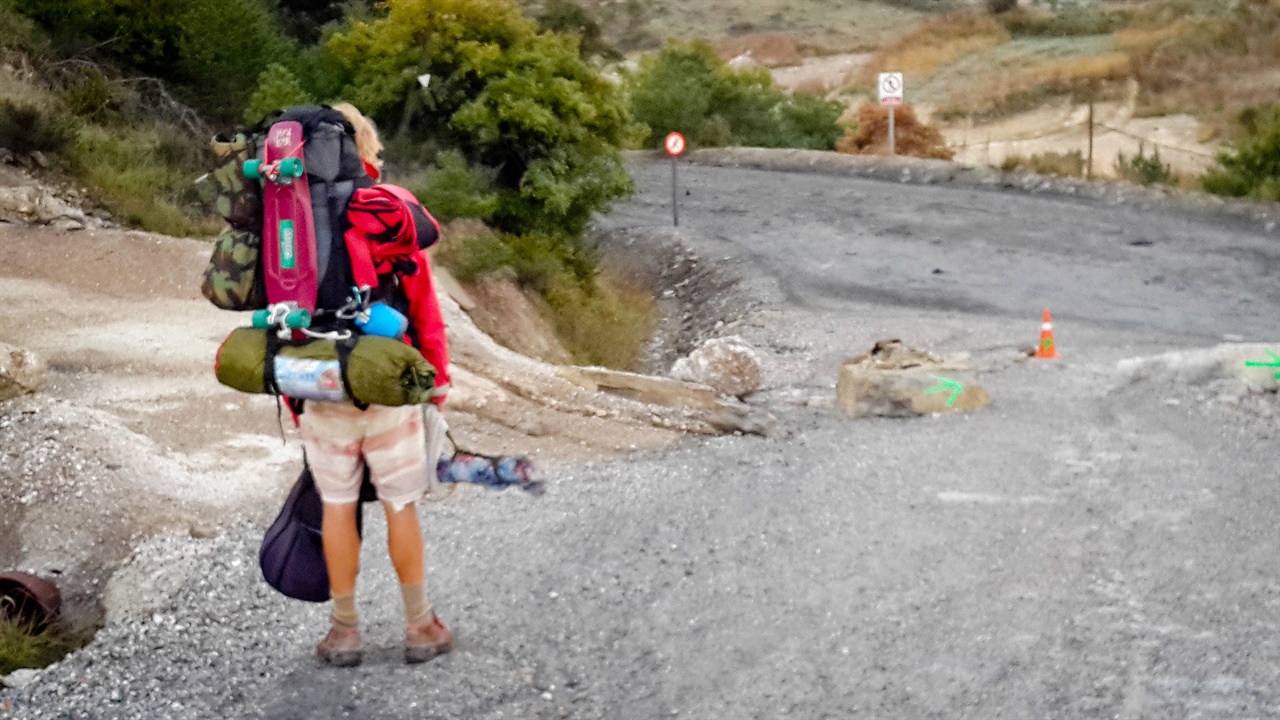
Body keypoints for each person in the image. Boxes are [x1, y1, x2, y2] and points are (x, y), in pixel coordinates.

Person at [304, 102, 453, 666]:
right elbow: (424, 309)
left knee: (337, 507)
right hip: (388, 388)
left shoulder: (293, 222)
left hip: (318, 385)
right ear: (363, 148)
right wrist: (435, 383)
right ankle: (420, 626)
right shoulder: (383, 213)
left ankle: (344, 632)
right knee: (399, 505)